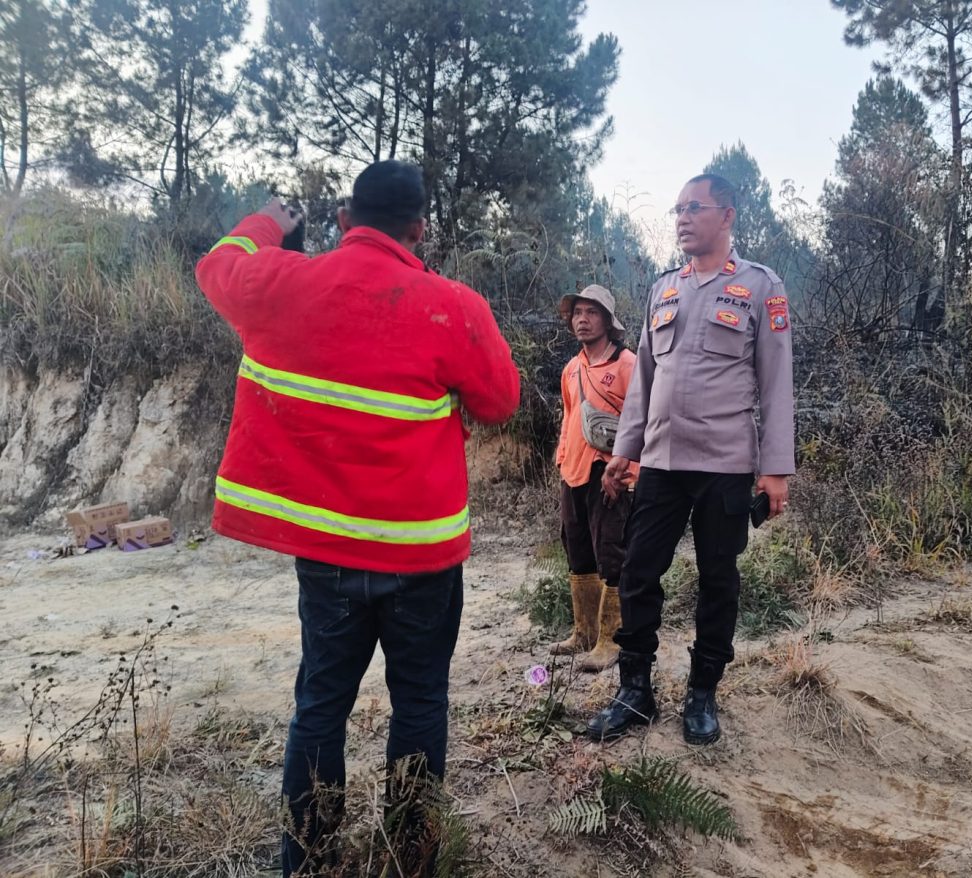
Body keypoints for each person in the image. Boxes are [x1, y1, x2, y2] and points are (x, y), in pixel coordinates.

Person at [194, 160, 520, 876]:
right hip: (422, 557)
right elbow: (499, 402)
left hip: (330, 559)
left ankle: (307, 862)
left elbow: (218, 265)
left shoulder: (278, 283)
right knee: (419, 706)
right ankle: (409, 858)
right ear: (420, 229)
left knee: (320, 707)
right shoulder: (452, 305)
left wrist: (272, 223)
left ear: (344, 220)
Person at [585, 173, 795, 746]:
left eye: (694, 207)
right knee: (637, 572)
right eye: (677, 208)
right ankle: (635, 689)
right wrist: (625, 453)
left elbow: (777, 384)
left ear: (726, 215)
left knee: (718, 579)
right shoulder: (664, 289)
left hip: (725, 465)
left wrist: (775, 469)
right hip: (661, 462)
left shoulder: (759, 286)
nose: (681, 217)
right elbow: (644, 383)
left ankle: (703, 691)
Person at [550, 285, 638, 672]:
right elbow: (569, 417)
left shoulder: (627, 365)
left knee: (611, 551)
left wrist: (627, 472)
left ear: (607, 321)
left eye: (591, 312)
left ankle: (611, 639)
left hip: (610, 473)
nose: (582, 319)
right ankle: (583, 632)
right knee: (578, 550)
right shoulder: (571, 369)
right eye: (577, 313)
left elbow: (643, 422)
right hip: (574, 472)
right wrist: (562, 458)